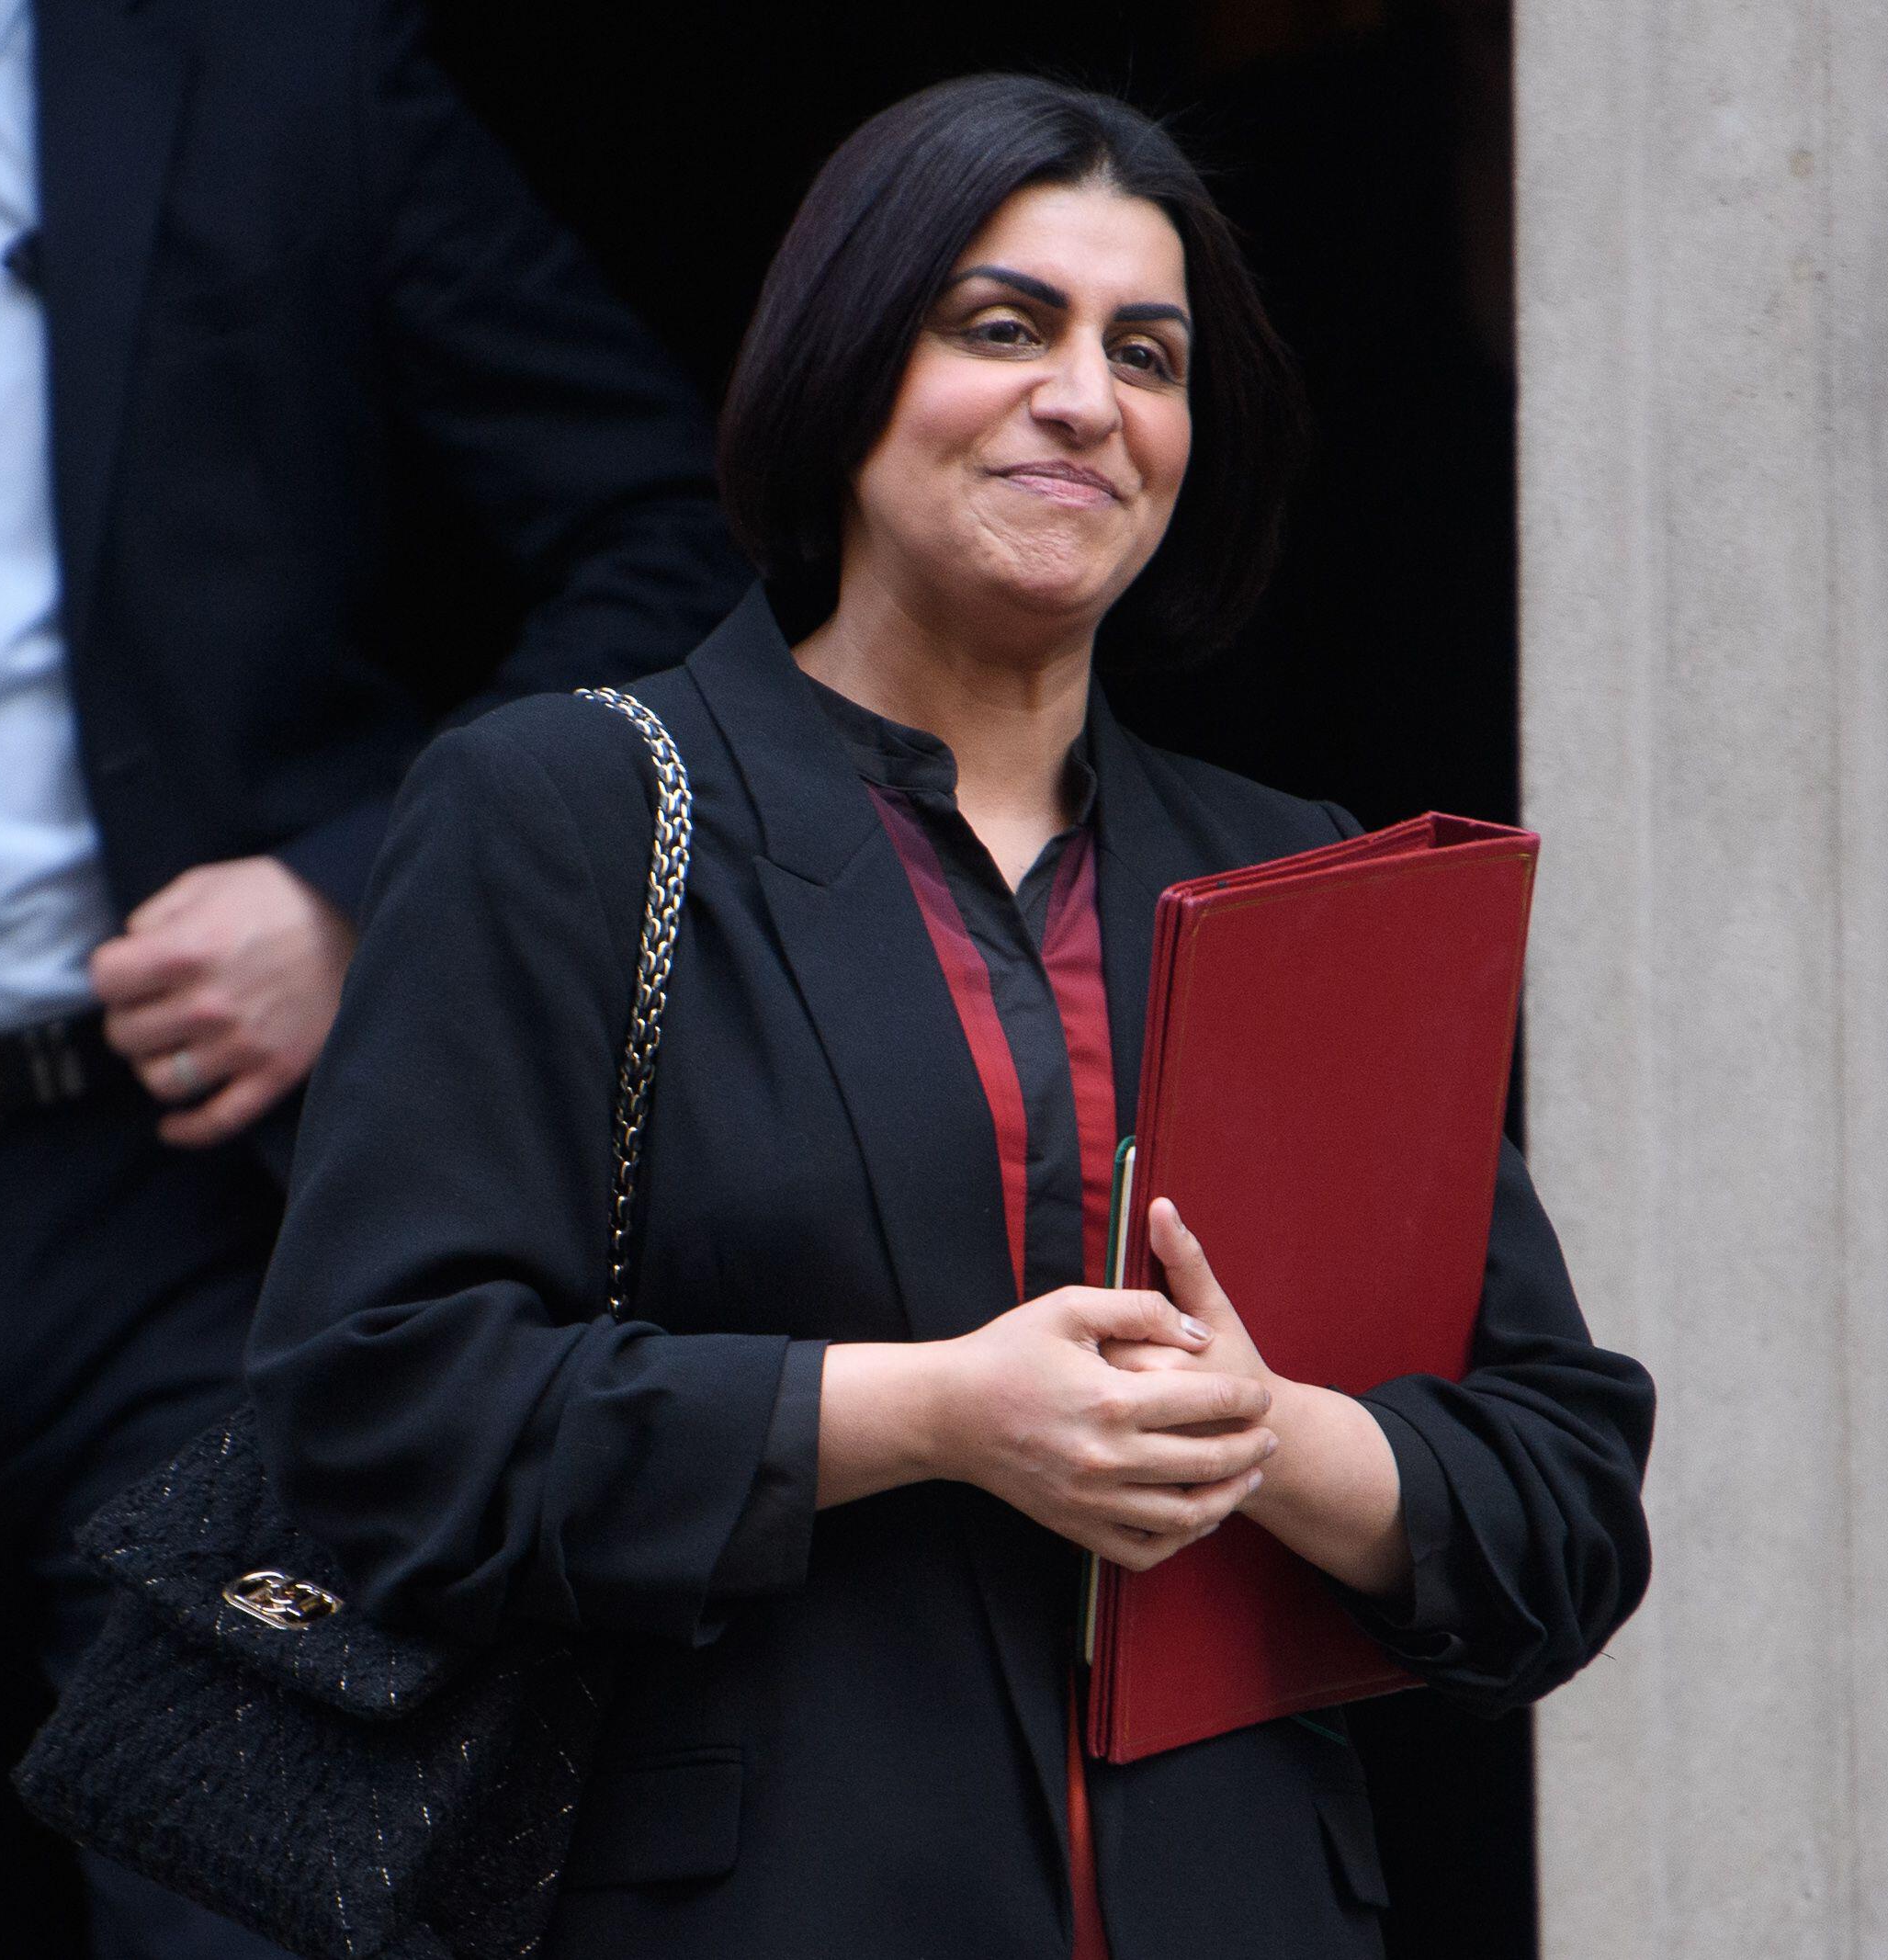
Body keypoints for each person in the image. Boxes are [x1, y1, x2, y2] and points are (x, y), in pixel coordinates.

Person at [248, 74, 1654, 1959]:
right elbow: (378, 1421)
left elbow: (1564, 1501)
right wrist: (930, 1411)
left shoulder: (1302, 880)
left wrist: (1266, 1436)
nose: (1085, 397)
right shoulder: (567, 812)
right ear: (844, 370)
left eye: (1146, 355)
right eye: (1004, 326)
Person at [0, 0, 749, 1954]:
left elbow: (672, 532)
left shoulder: (279, 63)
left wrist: (367, 891)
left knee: (247, 1894)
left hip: (199, 1204)